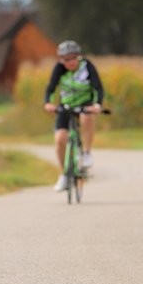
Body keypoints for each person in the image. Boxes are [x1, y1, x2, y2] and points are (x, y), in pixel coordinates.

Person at [43, 40, 104, 192]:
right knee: (60, 139)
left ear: (79, 57)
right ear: (61, 60)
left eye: (73, 58)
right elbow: (50, 88)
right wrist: (48, 103)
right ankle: (64, 174)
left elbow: (98, 87)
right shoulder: (59, 69)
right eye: (65, 59)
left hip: (85, 103)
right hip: (66, 105)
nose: (69, 62)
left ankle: (87, 153)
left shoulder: (87, 66)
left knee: (86, 117)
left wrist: (97, 105)